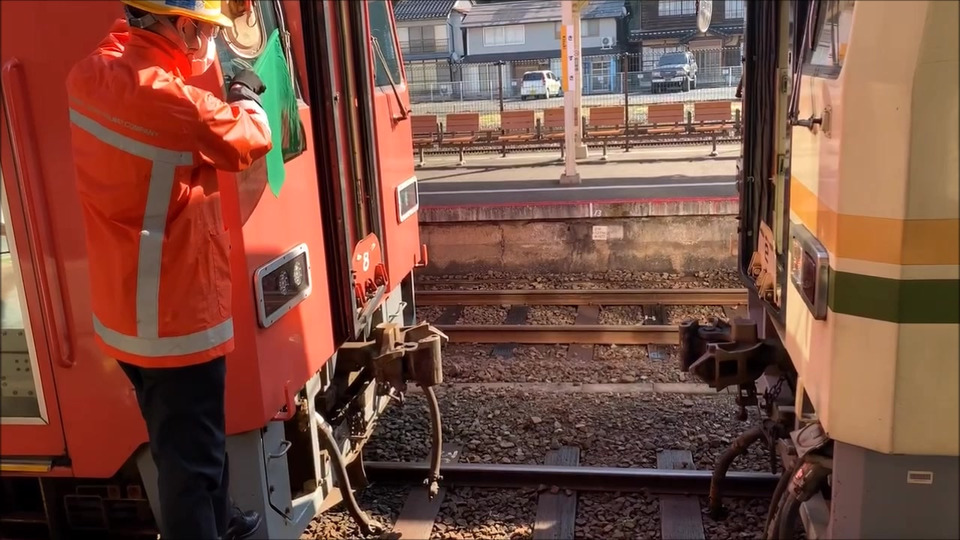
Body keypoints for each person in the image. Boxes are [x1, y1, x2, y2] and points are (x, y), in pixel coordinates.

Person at [65, 1, 273, 538]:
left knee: (189, 438)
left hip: (126, 313)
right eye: (207, 29)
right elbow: (248, 139)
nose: (210, 40)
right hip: (175, 319)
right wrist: (246, 96)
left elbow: (126, 38)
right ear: (183, 27)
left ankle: (221, 521)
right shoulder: (174, 102)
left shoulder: (89, 75)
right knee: (189, 467)